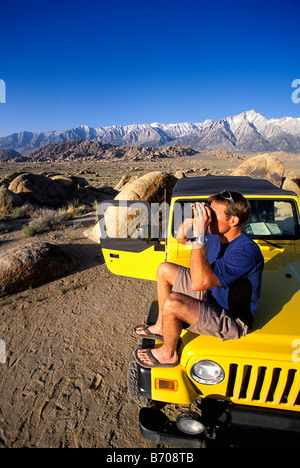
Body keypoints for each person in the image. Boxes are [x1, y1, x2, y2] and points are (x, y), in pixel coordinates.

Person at [134, 190, 264, 368]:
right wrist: (194, 219)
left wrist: (201, 234)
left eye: (213, 214)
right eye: (208, 211)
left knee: (173, 303)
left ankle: (168, 354)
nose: (208, 217)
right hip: (210, 294)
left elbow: (199, 283)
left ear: (233, 221)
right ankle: (162, 326)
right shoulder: (216, 233)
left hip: (231, 319)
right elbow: (181, 238)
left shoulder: (246, 252)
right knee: (164, 269)